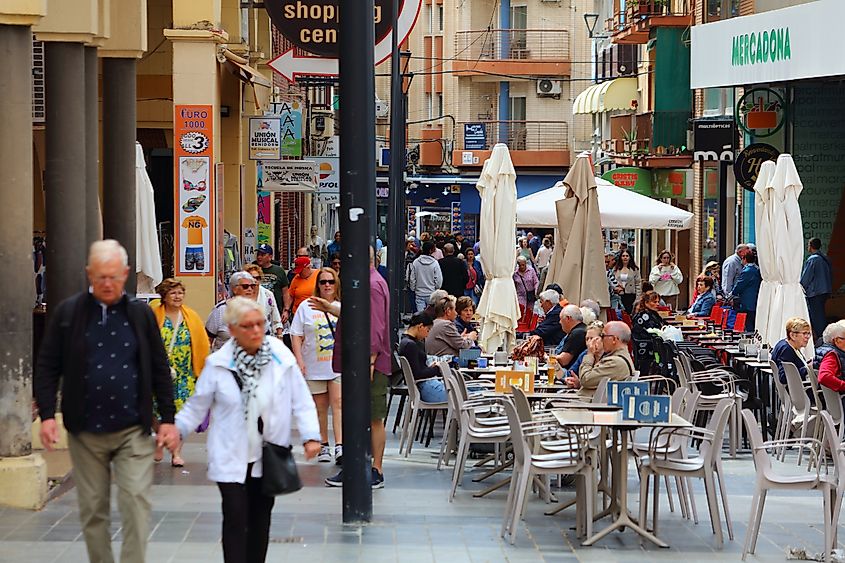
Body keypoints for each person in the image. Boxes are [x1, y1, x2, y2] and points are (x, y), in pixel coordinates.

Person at [35, 240, 179, 563]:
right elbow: (47, 365)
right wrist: (46, 415)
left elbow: (159, 367)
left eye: (114, 277)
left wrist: (167, 419)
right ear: (89, 274)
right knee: (93, 510)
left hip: (132, 429)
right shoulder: (69, 313)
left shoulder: (140, 314)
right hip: (86, 430)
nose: (108, 284)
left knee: (136, 505)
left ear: (126, 274)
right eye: (100, 277)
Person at [173, 297, 320, 563]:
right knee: (236, 517)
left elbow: (301, 398)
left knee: (261, 518)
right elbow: (198, 405)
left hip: (270, 453)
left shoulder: (280, 355)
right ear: (231, 329)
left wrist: (311, 436)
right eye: (248, 326)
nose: (256, 331)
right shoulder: (218, 362)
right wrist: (177, 430)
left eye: (260, 324)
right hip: (230, 454)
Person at [316, 247, 391, 488]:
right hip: (360, 362)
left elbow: (376, 325)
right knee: (357, 415)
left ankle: (375, 470)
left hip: (369, 363)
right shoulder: (365, 282)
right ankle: (355, 465)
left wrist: (369, 360)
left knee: (373, 417)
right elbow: (360, 314)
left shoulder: (371, 285)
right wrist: (331, 308)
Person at [150, 278, 210, 467]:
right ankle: (160, 439)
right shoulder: (153, 314)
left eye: (181, 293)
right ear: (164, 296)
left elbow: (202, 343)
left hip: (185, 373)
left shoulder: (190, 316)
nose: (178, 297)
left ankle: (176, 452)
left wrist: (202, 370)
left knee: (182, 414)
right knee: (155, 411)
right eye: (173, 293)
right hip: (158, 373)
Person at [290, 267, 343, 465]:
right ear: (317, 285)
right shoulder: (306, 306)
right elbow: (296, 334)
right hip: (314, 365)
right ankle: (324, 444)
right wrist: (299, 360)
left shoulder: (340, 306)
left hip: (337, 364)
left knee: (338, 404)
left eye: (330, 281)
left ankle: (340, 444)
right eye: (323, 282)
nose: (327, 285)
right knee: (320, 407)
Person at [565, 321, 635, 398]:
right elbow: (591, 382)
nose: (601, 339)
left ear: (614, 339)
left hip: (586, 406)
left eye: (603, 335)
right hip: (583, 402)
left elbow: (586, 379)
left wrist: (590, 354)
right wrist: (579, 384)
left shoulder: (615, 362)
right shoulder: (617, 358)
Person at [206, 272, 261, 351]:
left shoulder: (256, 310)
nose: (250, 289)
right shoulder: (220, 310)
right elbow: (208, 339)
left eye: (252, 286)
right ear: (234, 289)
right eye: (245, 286)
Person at [398, 312, 446, 402]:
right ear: (420, 326)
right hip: (424, 387)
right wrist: (437, 368)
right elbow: (417, 374)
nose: (427, 335)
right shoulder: (411, 345)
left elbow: (416, 369)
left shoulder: (406, 342)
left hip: (422, 386)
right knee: (463, 396)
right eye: (428, 330)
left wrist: (429, 368)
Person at [801, 237, 833, 341]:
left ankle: (821, 338)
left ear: (810, 246)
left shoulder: (813, 259)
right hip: (824, 291)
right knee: (820, 314)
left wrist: (801, 287)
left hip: (815, 292)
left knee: (816, 316)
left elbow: (806, 277)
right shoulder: (824, 258)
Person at [244, 264, 284, 338]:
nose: (255, 280)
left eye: (257, 278)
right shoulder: (242, 294)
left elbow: (276, 318)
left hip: (265, 335)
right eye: (252, 278)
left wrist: (280, 336)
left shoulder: (268, 294)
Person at [632, 291, 666, 376]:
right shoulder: (644, 316)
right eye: (654, 302)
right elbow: (653, 330)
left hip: (651, 344)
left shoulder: (652, 313)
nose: (657, 304)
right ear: (646, 302)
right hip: (646, 347)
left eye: (658, 302)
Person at [254, 243, 291, 323]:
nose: (259, 257)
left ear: (270, 257)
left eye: (263, 255)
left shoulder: (279, 271)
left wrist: (286, 310)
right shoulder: (253, 270)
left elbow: (285, 292)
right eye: (258, 254)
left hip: (275, 310)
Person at [771, 317, 811, 385]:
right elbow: (784, 377)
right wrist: (807, 369)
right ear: (792, 335)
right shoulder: (786, 350)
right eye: (804, 333)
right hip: (798, 392)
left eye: (808, 333)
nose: (807, 337)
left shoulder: (784, 344)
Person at [729, 249, 762, 332]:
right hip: (752, 301)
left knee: (749, 323)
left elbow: (740, 284)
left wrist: (730, 295)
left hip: (748, 302)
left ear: (745, 259)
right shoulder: (756, 269)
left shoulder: (748, 271)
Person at [409, 241, 443, 312]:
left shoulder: (416, 262)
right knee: (431, 315)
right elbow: (439, 280)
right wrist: (436, 287)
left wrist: (413, 288)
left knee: (421, 315)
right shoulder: (435, 263)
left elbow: (412, 278)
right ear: (430, 250)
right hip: (431, 293)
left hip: (419, 292)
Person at [553, 304, 588, 369]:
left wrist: (546, 357)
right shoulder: (582, 329)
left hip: (570, 374)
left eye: (561, 319)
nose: (560, 322)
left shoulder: (577, 333)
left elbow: (563, 360)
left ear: (568, 318)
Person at [816, 320, 845, 393]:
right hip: (839, 400)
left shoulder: (822, 349)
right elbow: (824, 377)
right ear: (837, 340)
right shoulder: (831, 355)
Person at [614, 250, 642, 314]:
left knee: (629, 313)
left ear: (630, 257)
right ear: (620, 257)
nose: (625, 257)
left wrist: (638, 298)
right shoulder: (616, 269)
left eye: (627, 256)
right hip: (619, 295)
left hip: (631, 295)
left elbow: (638, 284)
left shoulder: (635, 269)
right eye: (623, 256)